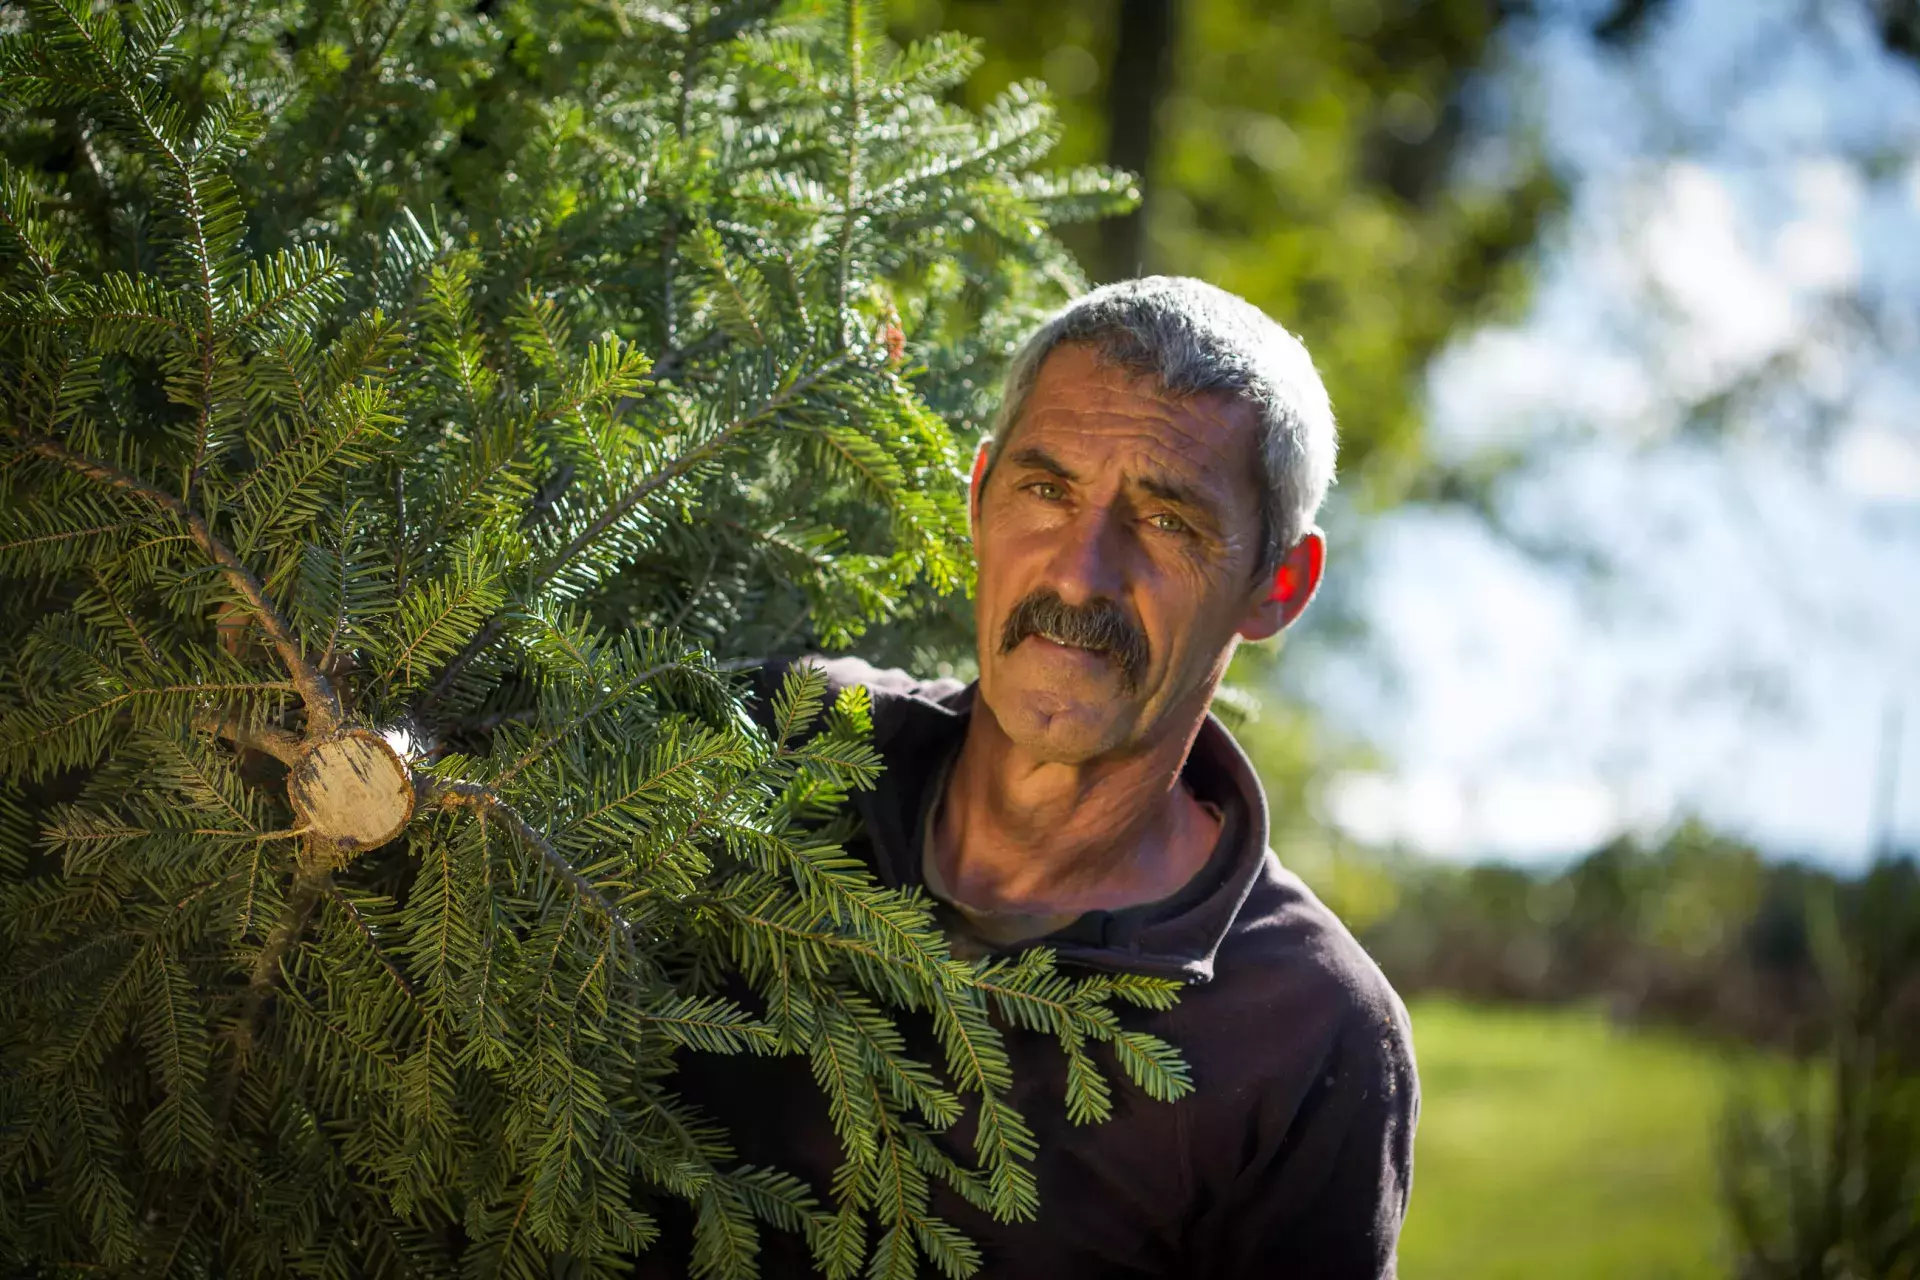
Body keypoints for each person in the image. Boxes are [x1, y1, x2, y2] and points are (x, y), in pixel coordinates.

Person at [649, 276, 1417, 1278]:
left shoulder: (1313, 1031)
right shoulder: (777, 740)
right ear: (979, 496)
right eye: (1046, 490)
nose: (1078, 572)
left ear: (1277, 586)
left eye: (1169, 521)